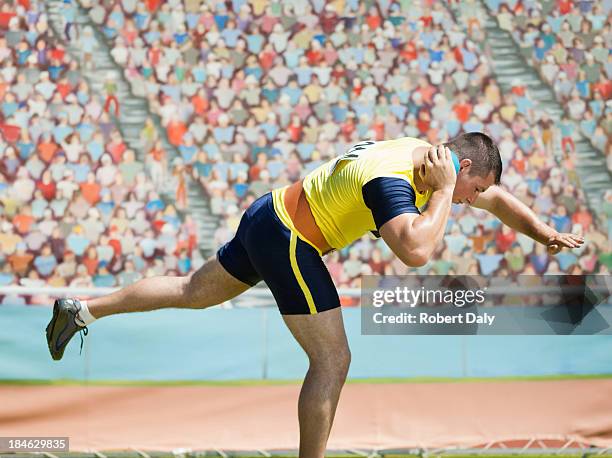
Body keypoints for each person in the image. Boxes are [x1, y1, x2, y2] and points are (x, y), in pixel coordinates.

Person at [46, 132, 583, 457]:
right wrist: (444, 195)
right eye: (474, 190)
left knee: (194, 290)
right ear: (460, 169)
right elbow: (416, 252)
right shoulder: (398, 180)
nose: (473, 202)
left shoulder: (423, 153)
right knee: (333, 359)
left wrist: (542, 232)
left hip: (268, 212)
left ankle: (82, 308)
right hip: (291, 239)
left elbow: (500, 201)